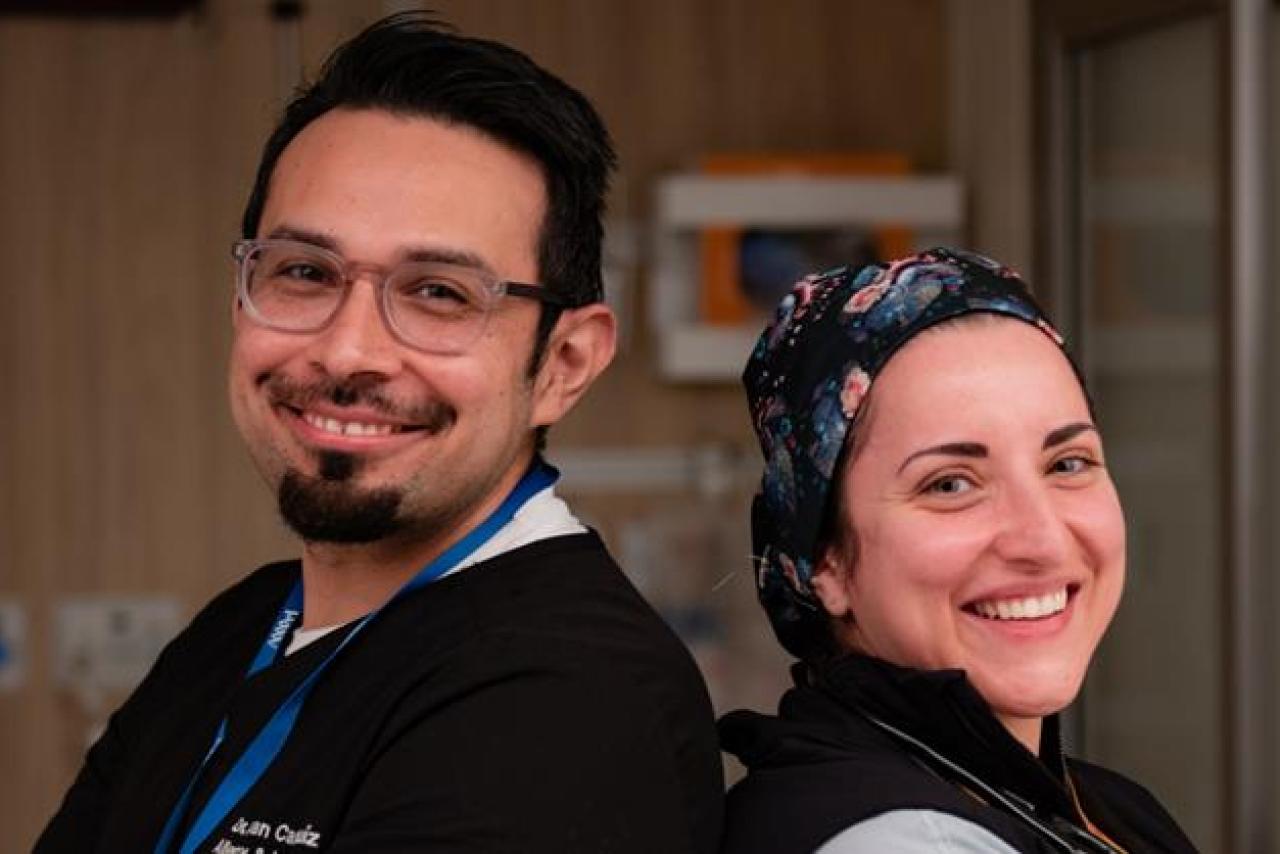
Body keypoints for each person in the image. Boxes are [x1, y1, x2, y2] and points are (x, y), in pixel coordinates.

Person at [36, 13, 723, 854]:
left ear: (563, 363)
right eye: (304, 272)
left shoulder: (570, 700)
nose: (347, 351)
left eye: (438, 292)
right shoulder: (241, 628)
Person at [719, 248, 1197, 853]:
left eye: (1067, 463)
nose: (1043, 539)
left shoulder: (1098, 805)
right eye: (950, 484)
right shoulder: (899, 843)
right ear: (825, 559)